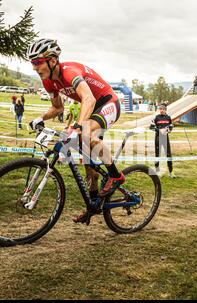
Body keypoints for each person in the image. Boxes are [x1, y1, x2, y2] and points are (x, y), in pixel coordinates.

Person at [27, 38, 124, 224]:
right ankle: (93, 205)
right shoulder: (48, 81)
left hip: (107, 102)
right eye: (32, 63)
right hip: (90, 109)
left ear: (52, 60)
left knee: (85, 133)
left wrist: (78, 126)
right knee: (89, 169)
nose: (34, 67)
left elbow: (89, 99)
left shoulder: (69, 72)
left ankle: (116, 175)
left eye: (37, 62)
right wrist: (40, 118)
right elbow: (57, 108)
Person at [150, 104, 175, 178]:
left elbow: (171, 126)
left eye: (163, 109)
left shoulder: (168, 117)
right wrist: (159, 130)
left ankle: (171, 172)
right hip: (158, 138)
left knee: (168, 154)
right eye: (160, 109)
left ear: (165, 110)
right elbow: (151, 127)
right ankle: (157, 172)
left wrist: (168, 130)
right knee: (158, 154)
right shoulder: (156, 117)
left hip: (165, 138)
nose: (161, 110)